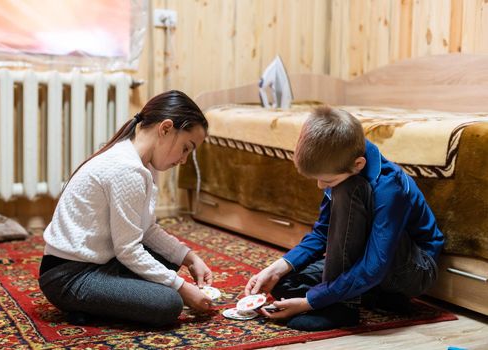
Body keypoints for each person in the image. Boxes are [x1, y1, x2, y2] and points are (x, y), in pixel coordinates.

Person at [245, 105, 444, 331]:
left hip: (412, 268)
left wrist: (311, 302)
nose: (321, 186)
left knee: (349, 189)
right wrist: (276, 268)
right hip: (369, 260)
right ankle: (370, 295)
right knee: (283, 283)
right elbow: (322, 234)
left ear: (358, 164)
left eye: (327, 182)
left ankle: (343, 308)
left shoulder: (389, 187)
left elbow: (376, 263)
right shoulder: (345, 164)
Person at [39, 90, 213, 327]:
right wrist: (182, 288)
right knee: (169, 303)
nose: (183, 160)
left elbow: (147, 230)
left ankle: (105, 302)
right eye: (186, 148)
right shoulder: (126, 169)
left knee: (169, 260)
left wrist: (190, 258)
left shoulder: (142, 162)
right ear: (165, 128)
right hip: (68, 277)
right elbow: (129, 249)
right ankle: (83, 305)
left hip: (102, 262)